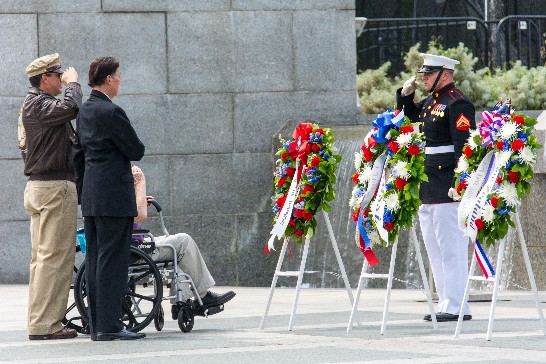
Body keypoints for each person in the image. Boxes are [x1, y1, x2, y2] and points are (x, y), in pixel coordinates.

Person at [396, 53, 476, 322]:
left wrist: (461, 184)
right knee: (434, 247)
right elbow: (408, 116)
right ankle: (445, 303)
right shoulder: (432, 102)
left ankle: (457, 305)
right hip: (428, 184)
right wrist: (405, 96)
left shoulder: (458, 103)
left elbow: (465, 148)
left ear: (446, 73)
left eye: (429, 74)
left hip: (447, 186)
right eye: (423, 74)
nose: (424, 78)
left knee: (451, 247)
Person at [72, 57, 146, 341]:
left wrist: (84, 191)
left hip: (92, 195)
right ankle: (109, 325)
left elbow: (77, 155)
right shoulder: (111, 112)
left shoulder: (85, 110)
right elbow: (135, 149)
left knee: (94, 259)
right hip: (114, 196)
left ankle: (95, 323)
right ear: (107, 79)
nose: (120, 81)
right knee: (113, 261)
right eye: (118, 76)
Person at [22, 53, 82, 340]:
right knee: (54, 259)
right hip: (53, 187)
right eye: (58, 76)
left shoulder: (35, 105)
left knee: (43, 259)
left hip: (42, 188)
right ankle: (46, 325)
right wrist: (74, 85)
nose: (62, 80)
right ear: (45, 78)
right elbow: (71, 107)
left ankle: (42, 321)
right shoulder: (39, 104)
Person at [131, 166, 235, 320]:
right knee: (183, 242)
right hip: (135, 248)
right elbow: (139, 215)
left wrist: (137, 201)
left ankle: (182, 301)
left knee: (176, 248)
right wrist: (140, 182)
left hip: (132, 243)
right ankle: (201, 296)